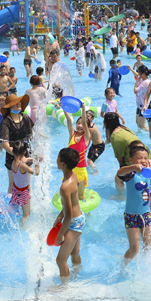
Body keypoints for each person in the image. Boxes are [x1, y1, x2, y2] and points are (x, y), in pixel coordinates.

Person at [115, 143, 151, 263]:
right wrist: (133, 167)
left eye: (145, 158)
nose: (143, 160)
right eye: (139, 158)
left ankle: (146, 265)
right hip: (132, 216)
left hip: (146, 214)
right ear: (131, 160)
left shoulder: (148, 172)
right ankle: (123, 266)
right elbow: (119, 172)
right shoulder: (130, 173)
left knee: (149, 245)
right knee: (134, 249)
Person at [52, 147, 83, 283]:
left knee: (60, 260)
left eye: (58, 158)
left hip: (74, 222)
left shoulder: (65, 186)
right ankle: (78, 275)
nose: (56, 160)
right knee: (74, 253)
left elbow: (69, 215)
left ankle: (64, 288)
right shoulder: (73, 175)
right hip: (80, 218)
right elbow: (70, 204)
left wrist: (60, 235)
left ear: (63, 164)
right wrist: (60, 216)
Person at [0, 94, 34, 194]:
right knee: (12, 183)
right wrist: (19, 157)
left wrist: (37, 152)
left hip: (26, 153)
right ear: (9, 107)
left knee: (27, 183)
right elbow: (5, 146)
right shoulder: (5, 123)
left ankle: (27, 206)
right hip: (12, 156)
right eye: (15, 103)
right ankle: (11, 207)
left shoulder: (26, 118)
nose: (18, 104)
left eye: (19, 102)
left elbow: (32, 137)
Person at [65, 106, 92, 201]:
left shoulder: (87, 137)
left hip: (81, 171)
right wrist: (64, 107)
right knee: (69, 194)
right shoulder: (72, 134)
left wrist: (83, 108)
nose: (80, 125)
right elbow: (68, 120)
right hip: (69, 170)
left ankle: (86, 214)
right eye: (78, 123)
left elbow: (85, 122)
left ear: (87, 127)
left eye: (82, 124)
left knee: (81, 196)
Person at [8, 141, 36, 222]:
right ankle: (23, 227)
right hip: (23, 192)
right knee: (26, 214)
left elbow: (21, 161)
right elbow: (35, 173)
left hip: (16, 190)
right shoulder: (23, 166)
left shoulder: (13, 163)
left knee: (19, 207)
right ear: (24, 152)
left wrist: (27, 159)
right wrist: (37, 165)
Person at [134, 66, 151, 131]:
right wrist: (131, 69)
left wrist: (136, 83)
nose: (138, 74)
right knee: (137, 122)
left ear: (143, 74)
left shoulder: (146, 82)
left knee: (142, 126)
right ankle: (139, 134)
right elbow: (137, 76)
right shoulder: (143, 79)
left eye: (139, 73)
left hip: (143, 106)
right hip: (139, 104)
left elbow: (135, 91)